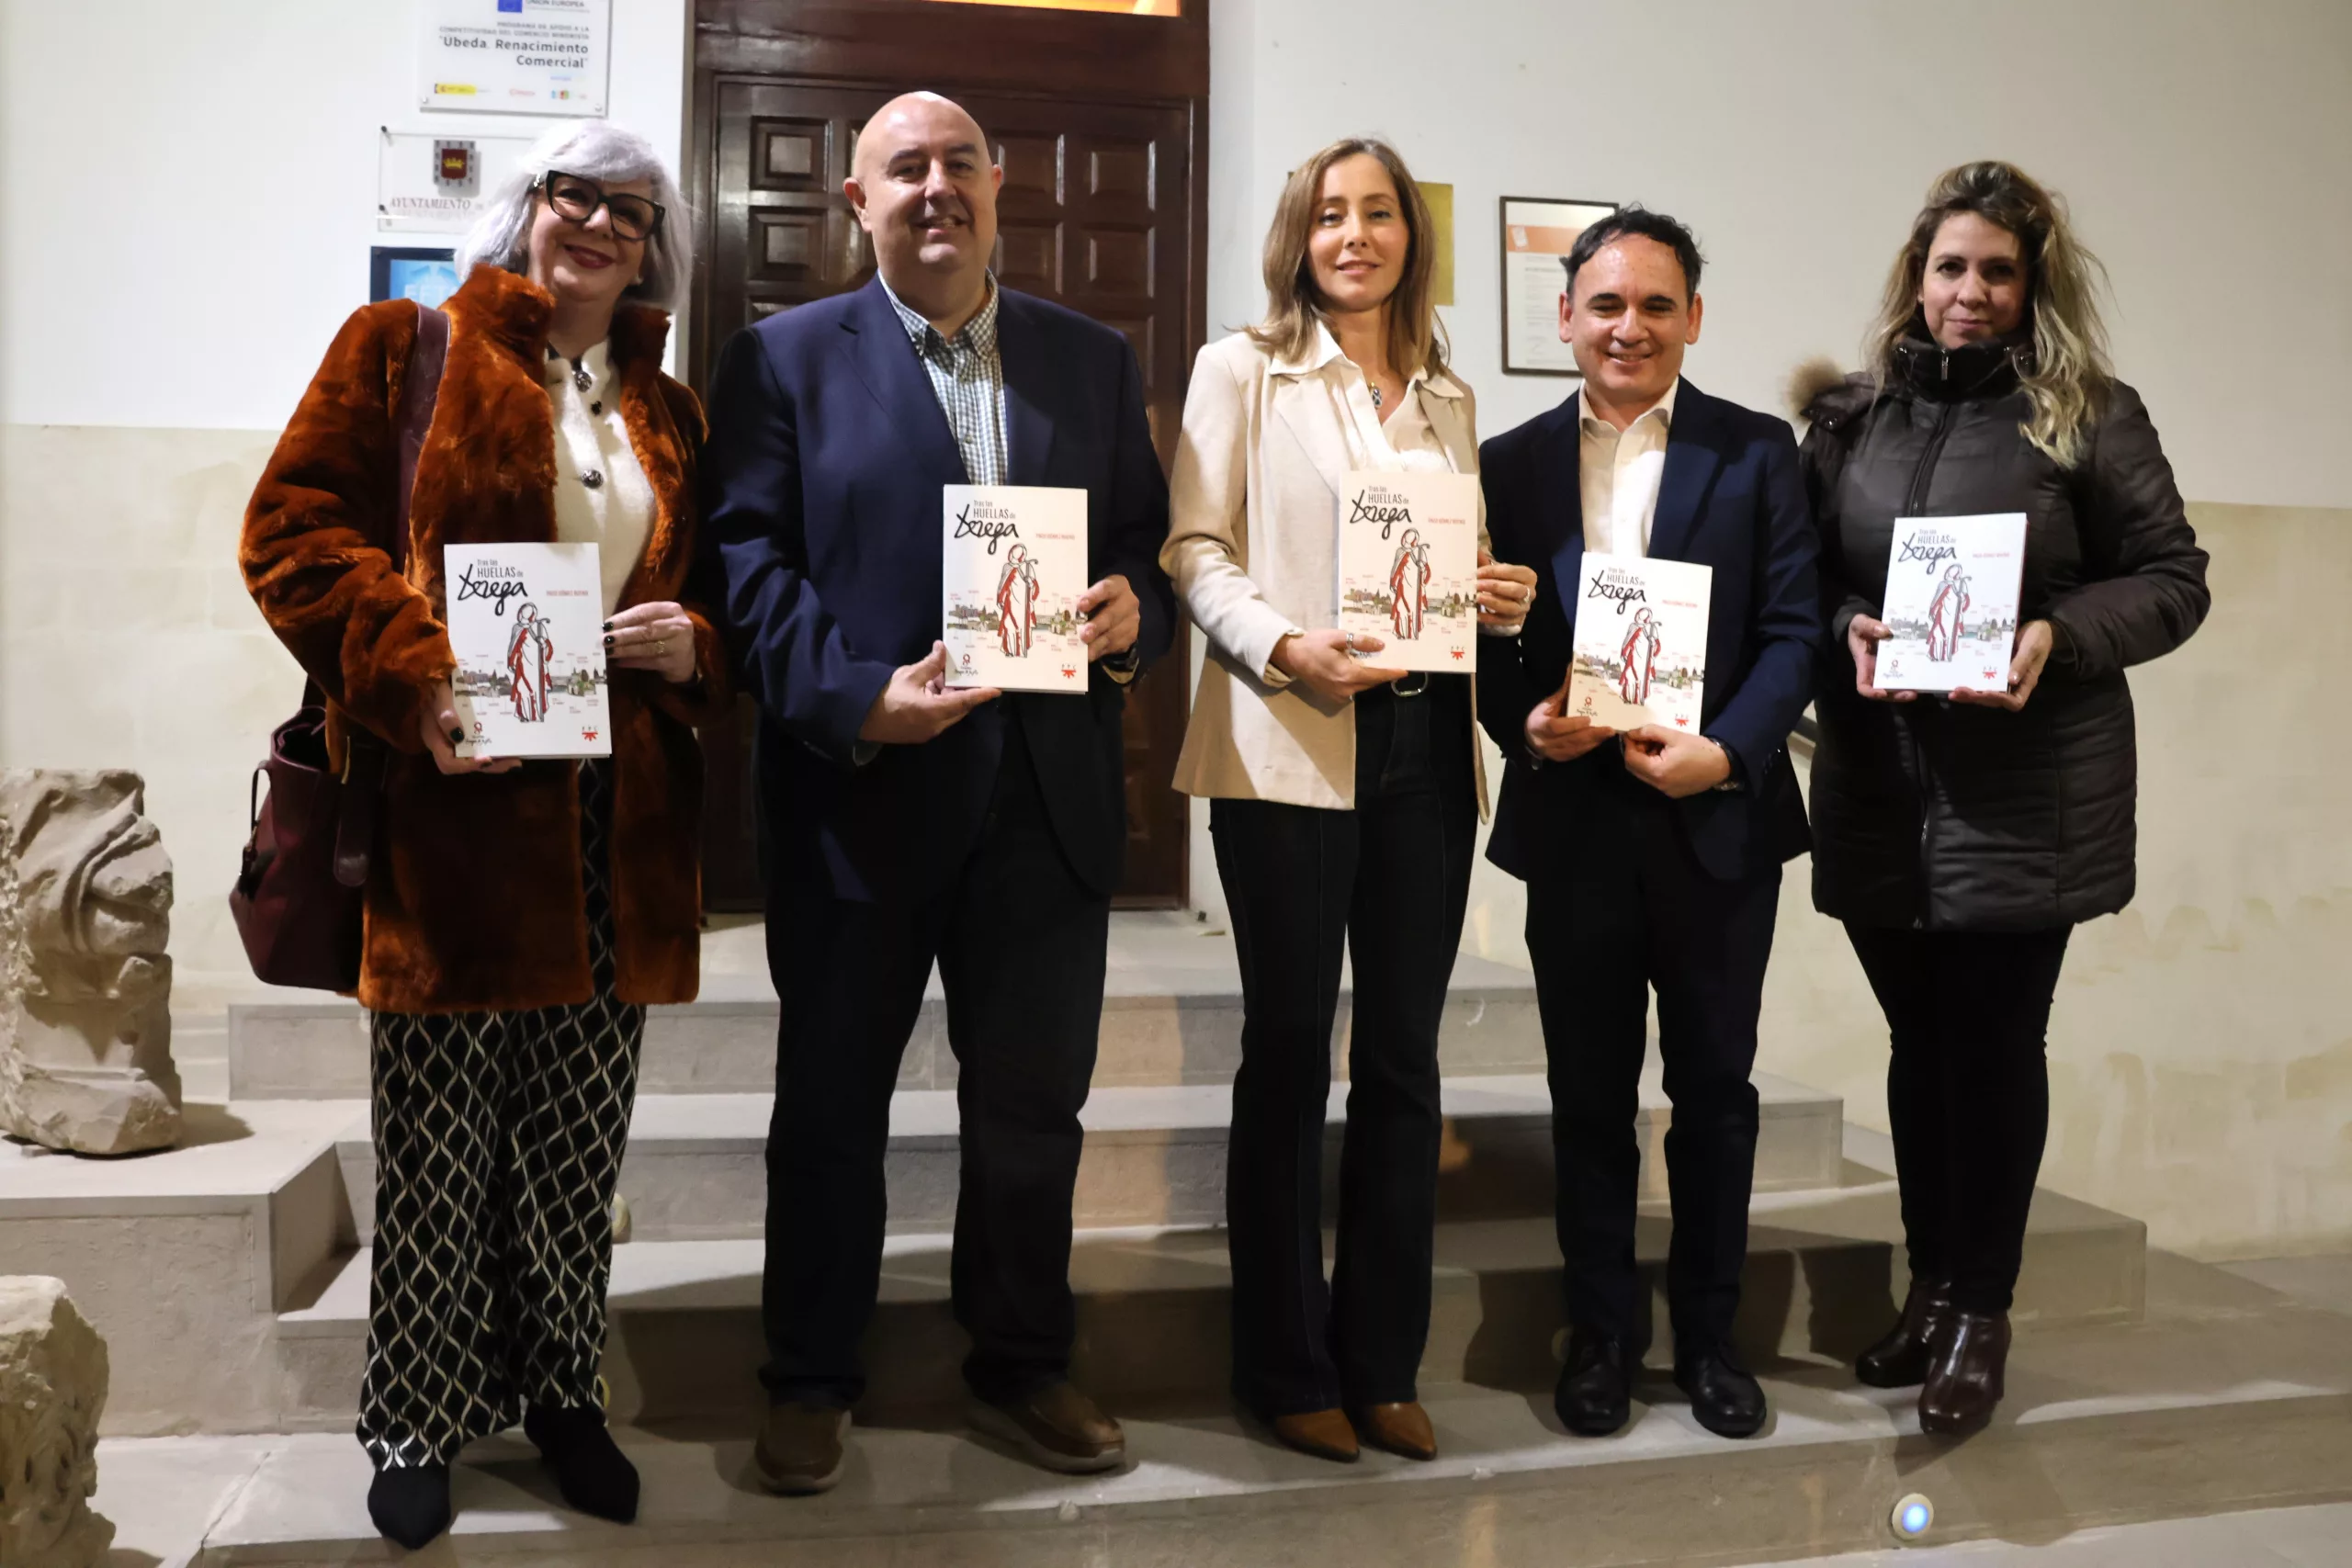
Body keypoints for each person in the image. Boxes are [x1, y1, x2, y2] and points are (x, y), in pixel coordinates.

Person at [241, 120, 724, 1549]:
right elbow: (293, 533)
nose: (599, 225)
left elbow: (707, 591)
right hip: (457, 808)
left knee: (578, 1143)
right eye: (578, 195)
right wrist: (411, 668)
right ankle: (410, 1411)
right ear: (527, 206)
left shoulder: (668, 409)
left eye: (632, 213)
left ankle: (563, 1388)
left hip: (616, 823)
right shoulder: (407, 348)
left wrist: (690, 639)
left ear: (654, 249)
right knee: (442, 1144)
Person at [702, 91, 1174, 1492]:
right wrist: (856, 697)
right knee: (833, 1104)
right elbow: (744, 567)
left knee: (1033, 1110)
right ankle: (809, 1374)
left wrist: (1128, 607)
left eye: (957, 162)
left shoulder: (1088, 361)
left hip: (1047, 794)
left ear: (997, 183)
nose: (934, 187)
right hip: (862, 794)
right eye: (903, 167)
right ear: (858, 202)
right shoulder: (783, 360)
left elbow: (1143, 543)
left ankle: (1022, 1355)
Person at [1798, 161, 2209, 1436]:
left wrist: (2052, 638)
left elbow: (2173, 578)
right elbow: (1798, 588)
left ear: (2034, 287)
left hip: (2026, 799)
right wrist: (1850, 626)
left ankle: (1983, 1304)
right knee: (1918, 1053)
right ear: (1914, 279)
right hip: (1880, 786)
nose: (1969, 293)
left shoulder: (2087, 412)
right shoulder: (1851, 421)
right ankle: (1931, 1285)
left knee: (1992, 1048)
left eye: (1997, 271)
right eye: (1950, 268)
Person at [1162, 137, 1539, 1465]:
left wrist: (1501, 592)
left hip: (1429, 752)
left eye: (1379, 214)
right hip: (1291, 735)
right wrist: (1277, 642)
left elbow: (1457, 560)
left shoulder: (1449, 393)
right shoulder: (1243, 369)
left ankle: (1383, 1361)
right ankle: (1283, 1362)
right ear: (1299, 237)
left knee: (1402, 1063)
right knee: (1285, 1054)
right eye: (1332, 214)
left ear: (1409, 239)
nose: (1356, 235)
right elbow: (1192, 548)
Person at [1478, 208, 1821, 1442]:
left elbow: (1798, 632)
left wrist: (1725, 747)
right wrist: (1527, 724)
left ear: (1692, 319)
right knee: (1588, 1096)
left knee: (1716, 1093)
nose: (1631, 325)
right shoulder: (1505, 462)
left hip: (1715, 819)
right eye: (1607, 303)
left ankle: (1715, 1340)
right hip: (1574, 823)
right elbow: (1483, 643)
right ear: (1564, 316)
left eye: (1657, 305)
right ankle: (1602, 1339)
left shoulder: (1755, 452)